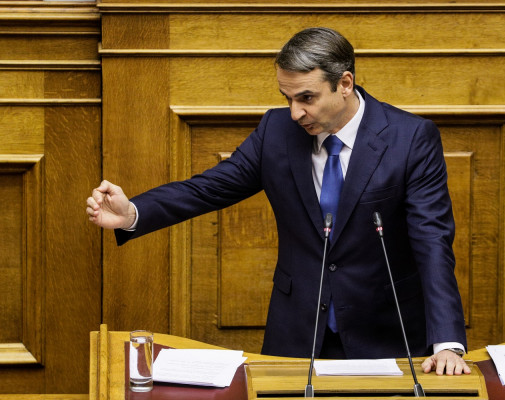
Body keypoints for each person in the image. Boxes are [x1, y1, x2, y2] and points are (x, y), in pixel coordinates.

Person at [86, 27, 470, 375]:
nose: (295, 112)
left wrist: (448, 342)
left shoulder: (410, 138)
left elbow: (432, 240)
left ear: (344, 83)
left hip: (385, 333)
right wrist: (133, 212)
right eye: (287, 98)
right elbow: (209, 188)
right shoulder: (277, 130)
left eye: (307, 98)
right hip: (297, 334)